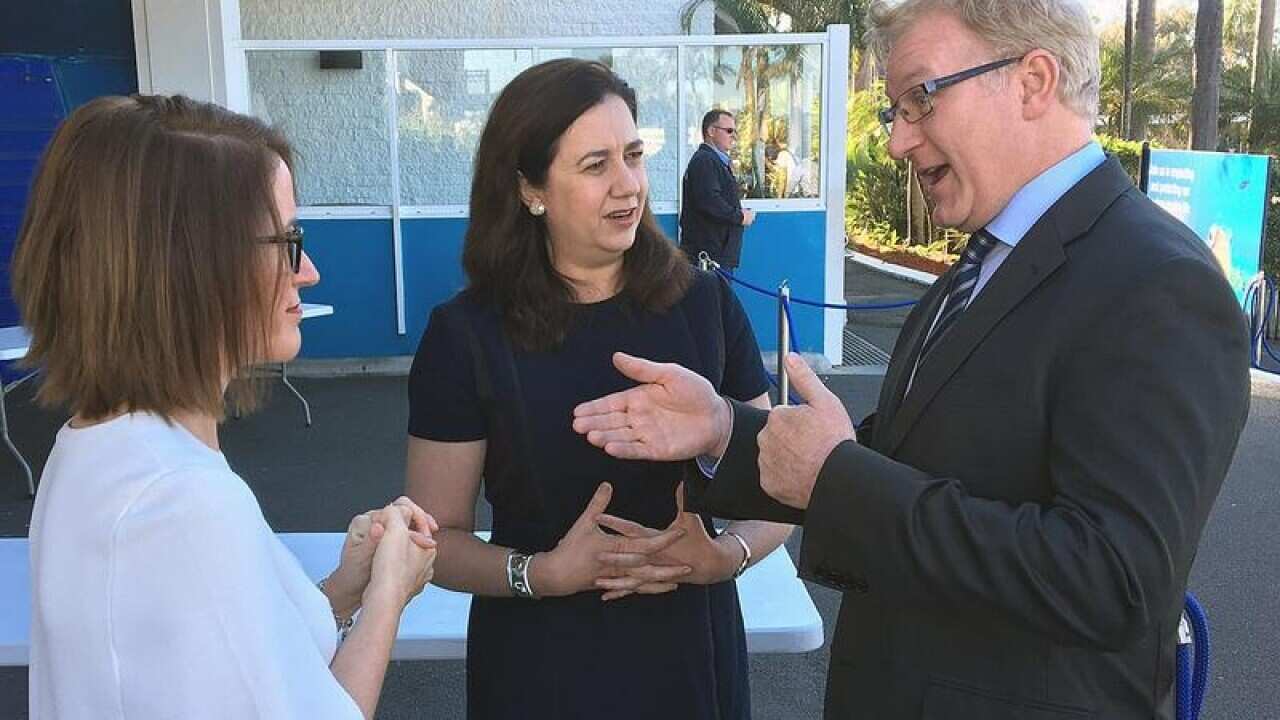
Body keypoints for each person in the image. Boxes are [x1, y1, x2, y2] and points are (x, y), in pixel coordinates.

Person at [572, 1, 1253, 718]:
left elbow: (1114, 582)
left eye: (921, 100)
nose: (898, 141)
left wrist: (835, 474)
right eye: (895, 111)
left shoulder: (1157, 283)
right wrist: (721, 430)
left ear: (1032, 82)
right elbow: (910, 461)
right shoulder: (988, 257)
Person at [14, 94, 437, 720]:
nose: (310, 271)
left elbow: (227, 655)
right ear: (193, 264)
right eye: (288, 241)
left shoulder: (99, 450)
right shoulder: (184, 502)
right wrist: (389, 596)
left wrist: (344, 588)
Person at [404, 59, 792, 719]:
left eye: (633, 156)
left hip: (691, 655)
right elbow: (431, 538)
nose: (627, 185)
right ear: (530, 189)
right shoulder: (466, 335)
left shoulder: (705, 306)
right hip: (539, 662)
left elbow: (781, 486)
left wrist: (725, 556)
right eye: (594, 165)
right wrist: (542, 573)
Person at [679, 109, 756, 271]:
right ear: (711, 131)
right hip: (709, 256)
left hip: (719, 254)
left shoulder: (715, 161)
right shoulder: (705, 161)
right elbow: (710, 201)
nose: (733, 136)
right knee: (710, 296)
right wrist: (740, 216)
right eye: (729, 131)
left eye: (734, 131)